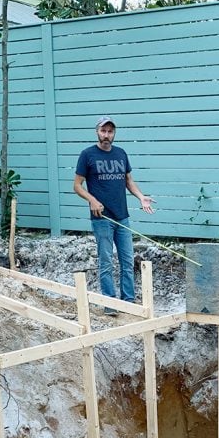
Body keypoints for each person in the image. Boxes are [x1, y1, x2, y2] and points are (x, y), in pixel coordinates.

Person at [73, 117, 154, 309]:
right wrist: (92, 200)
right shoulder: (87, 155)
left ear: (114, 133)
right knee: (106, 261)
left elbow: (128, 181)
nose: (106, 135)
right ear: (97, 132)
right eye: (103, 131)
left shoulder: (121, 153)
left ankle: (129, 301)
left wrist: (141, 197)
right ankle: (110, 303)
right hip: (102, 219)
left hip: (122, 217)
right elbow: (77, 186)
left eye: (110, 131)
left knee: (127, 260)